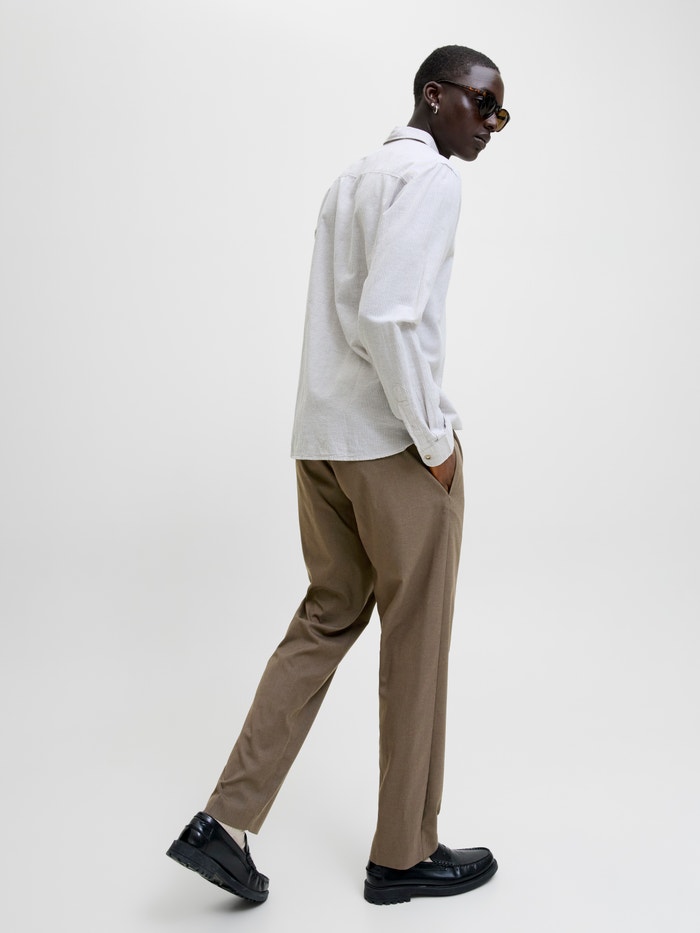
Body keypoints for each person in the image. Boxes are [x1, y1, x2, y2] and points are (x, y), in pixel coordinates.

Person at [167, 44, 510, 906]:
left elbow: (341, 315)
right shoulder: (431, 179)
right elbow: (388, 318)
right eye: (482, 104)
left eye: (501, 112)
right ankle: (403, 854)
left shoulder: (350, 179)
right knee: (416, 636)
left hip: (320, 440)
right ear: (434, 96)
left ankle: (224, 822)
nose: (492, 124)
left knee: (326, 616)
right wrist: (434, 440)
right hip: (391, 447)